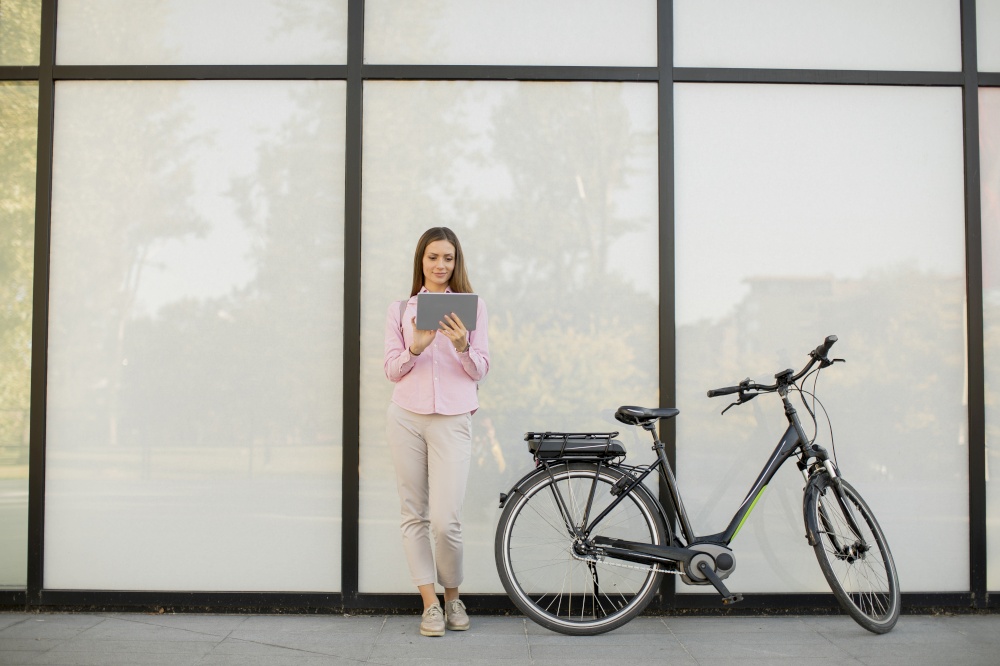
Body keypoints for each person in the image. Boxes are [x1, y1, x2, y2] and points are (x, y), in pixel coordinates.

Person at [383, 227, 490, 637]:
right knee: (414, 514)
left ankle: (453, 597)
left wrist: (463, 345)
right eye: (433, 257)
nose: (440, 265)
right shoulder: (399, 310)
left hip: (453, 418)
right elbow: (391, 370)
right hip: (406, 417)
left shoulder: (474, 310)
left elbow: (481, 369)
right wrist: (416, 346)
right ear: (421, 261)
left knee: (447, 521)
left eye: (448, 258)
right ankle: (429, 604)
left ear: (456, 262)